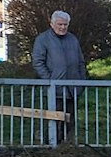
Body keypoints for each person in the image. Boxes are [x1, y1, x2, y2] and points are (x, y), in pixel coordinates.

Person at [31, 10, 86, 146]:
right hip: (54, 90)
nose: (62, 27)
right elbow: (38, 62)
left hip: (72, 89)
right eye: (60, 24)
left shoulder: (72, 39)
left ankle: (67, 146)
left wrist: (81, 81)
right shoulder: (43, 39)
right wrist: (50, 80)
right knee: (53, 120)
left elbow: (80, 62)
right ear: (52, 24)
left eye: (65, 25)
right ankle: (50, 146)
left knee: (70, 121)